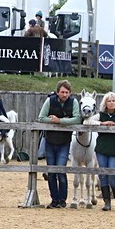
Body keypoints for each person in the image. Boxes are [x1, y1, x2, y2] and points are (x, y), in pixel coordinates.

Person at [36, 80, 83, 208]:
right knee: (51, 172)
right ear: (57, 92)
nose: (64, 94)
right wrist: (62, 121)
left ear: (70, 93)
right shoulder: (50, 101)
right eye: (62, 92)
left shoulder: (73, 102)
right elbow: (41, 118)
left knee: (61, 170)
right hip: (50, 140)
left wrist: (58, 120)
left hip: (64, 142)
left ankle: (62, 200)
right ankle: (54, 200)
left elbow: (78, 118)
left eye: (67, 92)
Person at [89, 92, 115, 211]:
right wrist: (102, 123)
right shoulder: (101, 115)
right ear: (105, 103)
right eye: (109, 101)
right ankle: (107, 202)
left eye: (113, 101)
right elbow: (87, 121)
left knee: (112, 175)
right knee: (103, 175)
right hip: (102, 148)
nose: (111, 103)